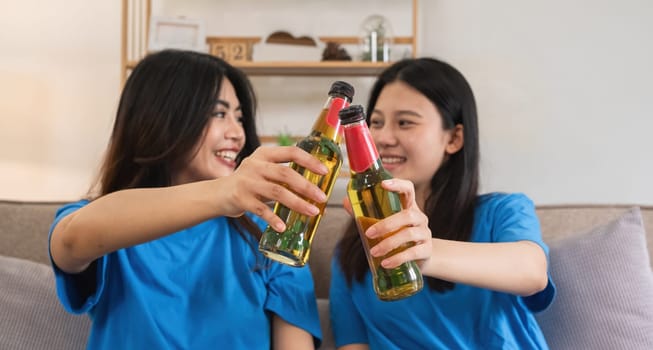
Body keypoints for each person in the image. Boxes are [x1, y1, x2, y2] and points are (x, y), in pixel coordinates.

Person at [48, 49, 326, 349]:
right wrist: (223, 192)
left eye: (240, 117)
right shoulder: (108, 225)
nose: (238, 133)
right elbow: (71, 241)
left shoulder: (274, 234)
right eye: (219, 113)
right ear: (163, 118)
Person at [329, 57, 556, 349]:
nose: (382, 137)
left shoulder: (502, 212)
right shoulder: (352, 249)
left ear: (454, 138)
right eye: (376, 122)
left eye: (405, 122)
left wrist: (425, 253)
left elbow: (532, 271)